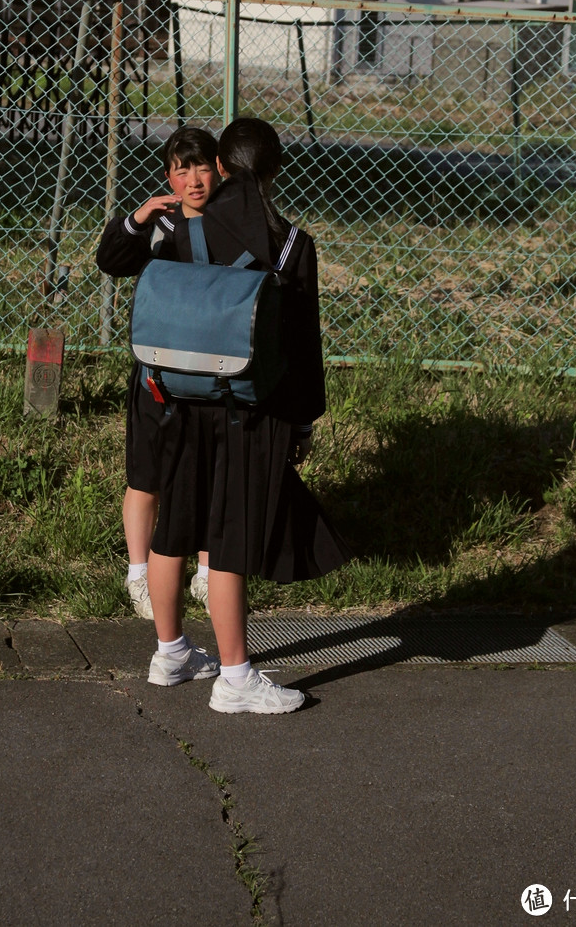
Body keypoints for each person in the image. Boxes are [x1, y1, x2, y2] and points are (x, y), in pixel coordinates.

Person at [141, 117, 351, 713]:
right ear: (275, 169)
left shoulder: (183, 221)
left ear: (222, 167)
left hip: (178, 398)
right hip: (249, 411)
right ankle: (235, 679)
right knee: (228, 539)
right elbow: (302, 349)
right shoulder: (289, 243)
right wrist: (304, 421)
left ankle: (171, 652)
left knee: (174, 528)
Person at [95, 126, 217, 618]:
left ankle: (209, 573)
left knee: (212, 474)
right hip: (158, 376)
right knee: (146, 476)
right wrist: (137, 217)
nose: (192, 179)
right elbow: (110, 261)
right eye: (181, 169)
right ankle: (139, 575)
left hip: (213, 377)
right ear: (168, 175)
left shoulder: (232, 225)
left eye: (202, 166)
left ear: (220, 170)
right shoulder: (160, 228)